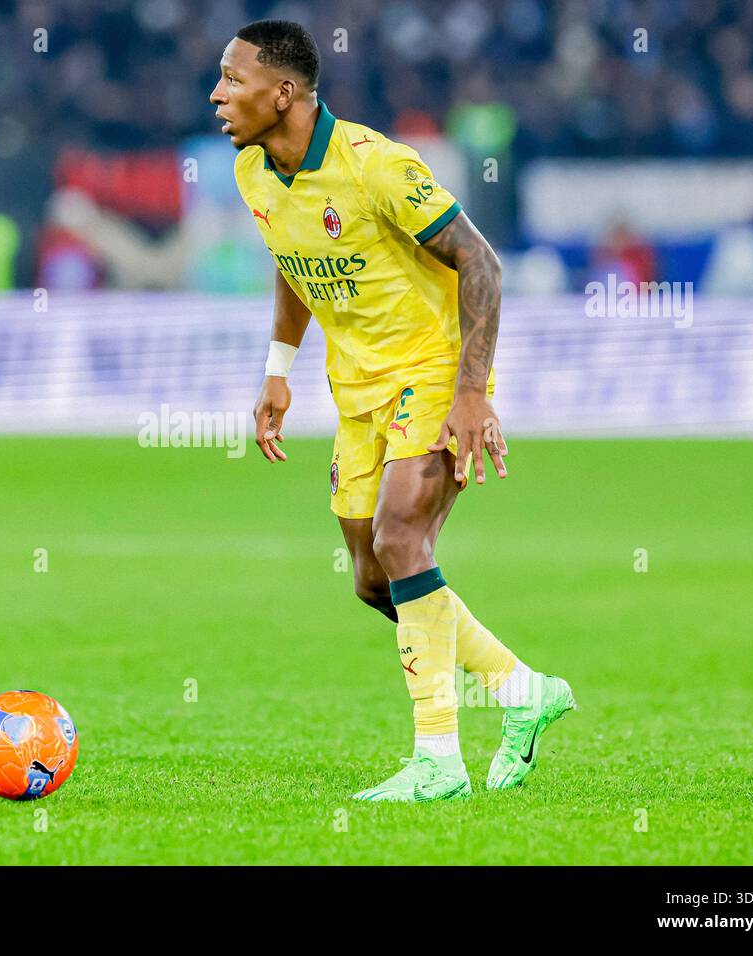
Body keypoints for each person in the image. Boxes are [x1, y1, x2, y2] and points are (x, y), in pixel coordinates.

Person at [210, 20, 575, 803]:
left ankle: (438, 761)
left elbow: (482, 261)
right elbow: (294, 260)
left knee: (402, 536)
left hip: (435, 371)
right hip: (358, 390)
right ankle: (521, 690)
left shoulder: (378, 167)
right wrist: (280, 370)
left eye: (232, 80)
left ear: (284, 92)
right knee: (375, 579)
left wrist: (472, 392)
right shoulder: (252, 172)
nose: (217, 95)